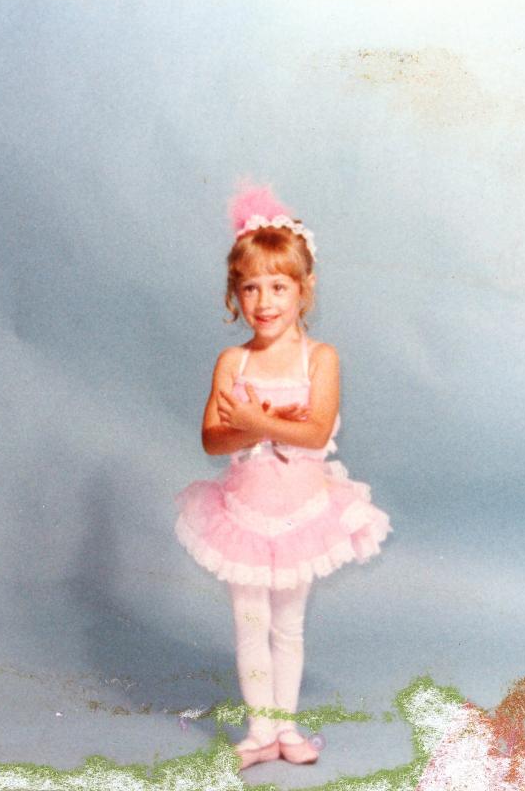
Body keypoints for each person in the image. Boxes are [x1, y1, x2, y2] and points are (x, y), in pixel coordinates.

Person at [175, 186, 391, 770]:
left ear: (303, 290)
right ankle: (259, 731)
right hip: (242, 518)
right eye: (250, 288)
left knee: (288, 626)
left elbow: (315, 433)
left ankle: (287, 725)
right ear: (234, 294)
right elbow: (212, 439)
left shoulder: (319, 359)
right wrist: (259, 427)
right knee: (250, 625)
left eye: (278, 287)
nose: (264, 301)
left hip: (302, 518)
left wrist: (255, 421)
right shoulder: (233, 362)